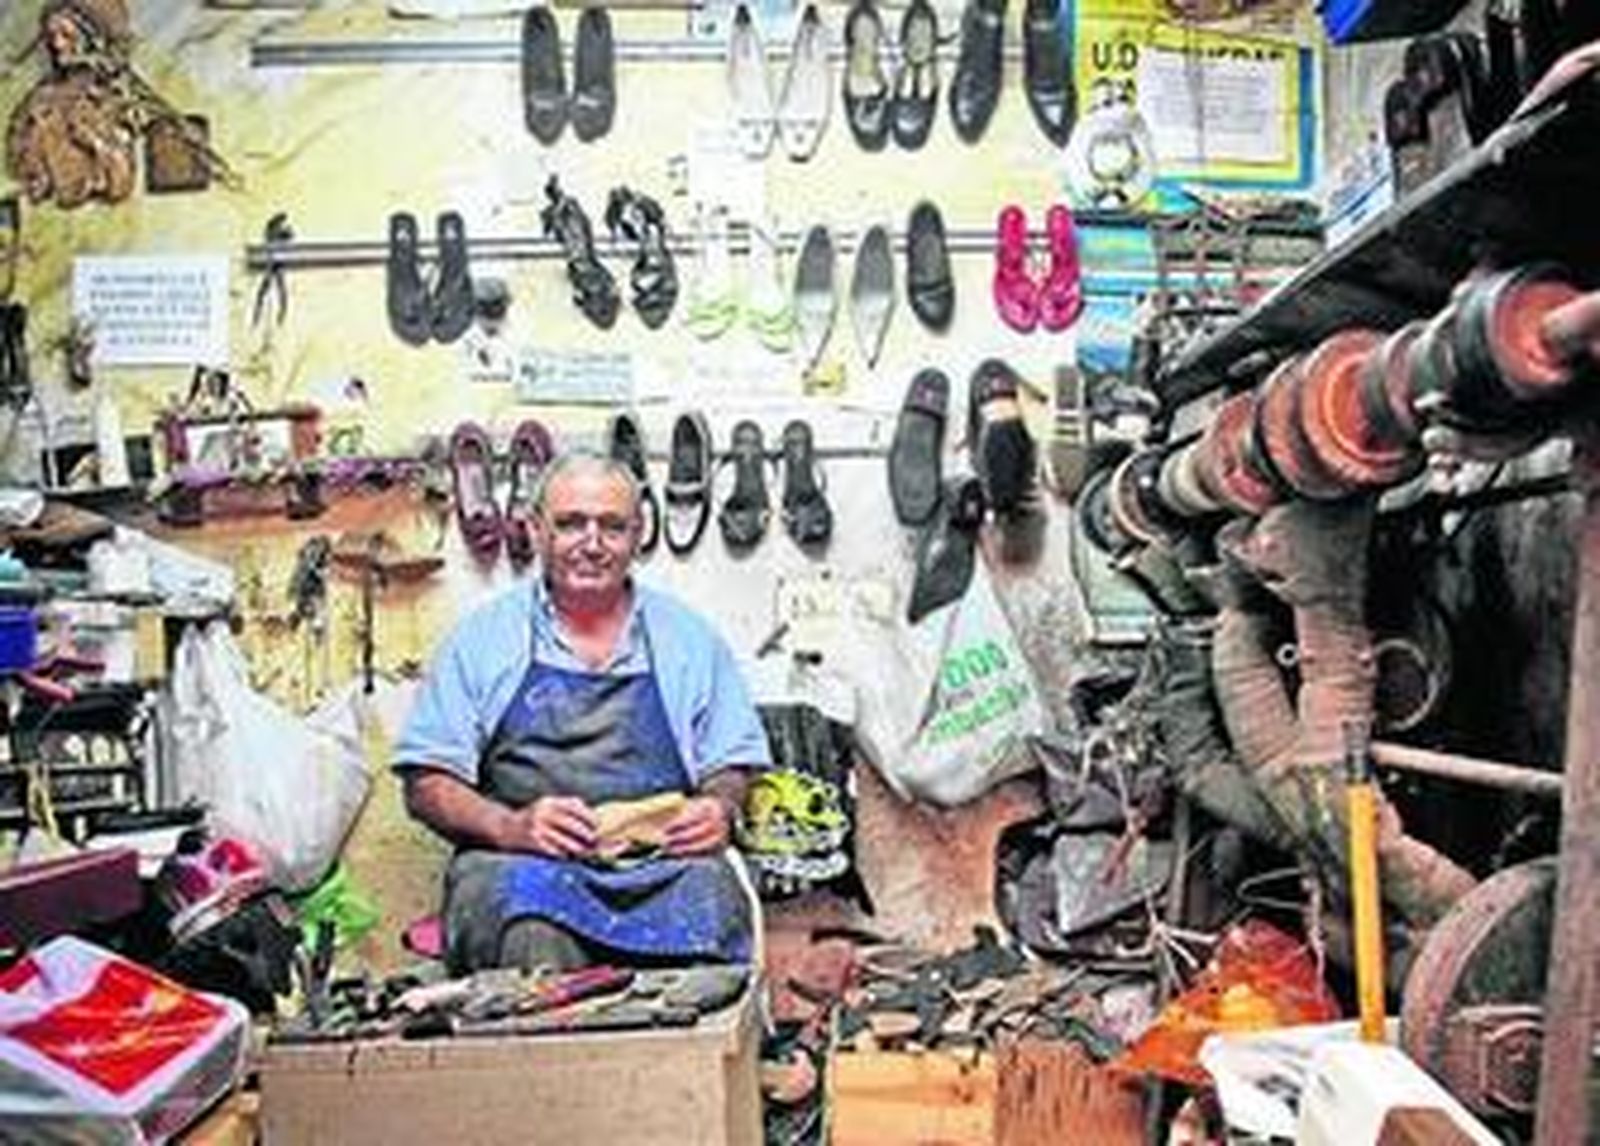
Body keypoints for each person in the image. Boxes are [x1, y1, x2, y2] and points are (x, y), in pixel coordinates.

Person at [394, 449, 772, 974]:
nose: (592, 544)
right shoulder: (483, 639)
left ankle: (692, 1059)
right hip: (525, 865)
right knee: (521, 925)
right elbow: (426, 784)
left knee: (710, 898)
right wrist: (509, 827)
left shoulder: (687, 639)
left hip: (662, 866)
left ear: (638, 533)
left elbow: (730, 766)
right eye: (571, 524)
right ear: (536, 528)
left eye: (612, 527)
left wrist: (719, 809)